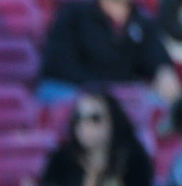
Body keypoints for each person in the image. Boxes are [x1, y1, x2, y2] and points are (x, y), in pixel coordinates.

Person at [37, 90, 154, 186]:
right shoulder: (62, 157)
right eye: (78, 118)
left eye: (95, 118)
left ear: (112, 120)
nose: (85, 125)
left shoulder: (133, 155)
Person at [37, 0, 181, 109]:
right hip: (76, 89)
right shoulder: (74, 13)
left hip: (121, 96)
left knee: (161, 104)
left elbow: (157, 59)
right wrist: (105, 90)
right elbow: (57, 65)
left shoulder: (142, 20)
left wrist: (164, 72)